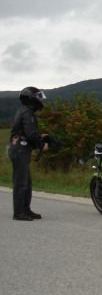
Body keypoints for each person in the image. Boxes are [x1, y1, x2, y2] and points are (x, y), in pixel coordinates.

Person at [9, 87, 48, 221]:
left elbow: (27, 132)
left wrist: (41, 137)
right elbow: (31, 134)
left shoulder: (25, 111)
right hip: (20, 149)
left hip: (20, 148)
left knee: (26, 182)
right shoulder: (27, 113)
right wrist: (42, 144)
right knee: (21, 183)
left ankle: (26, 209)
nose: (40, 100)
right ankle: (19, 212)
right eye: (38, 97)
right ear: (31, 98)